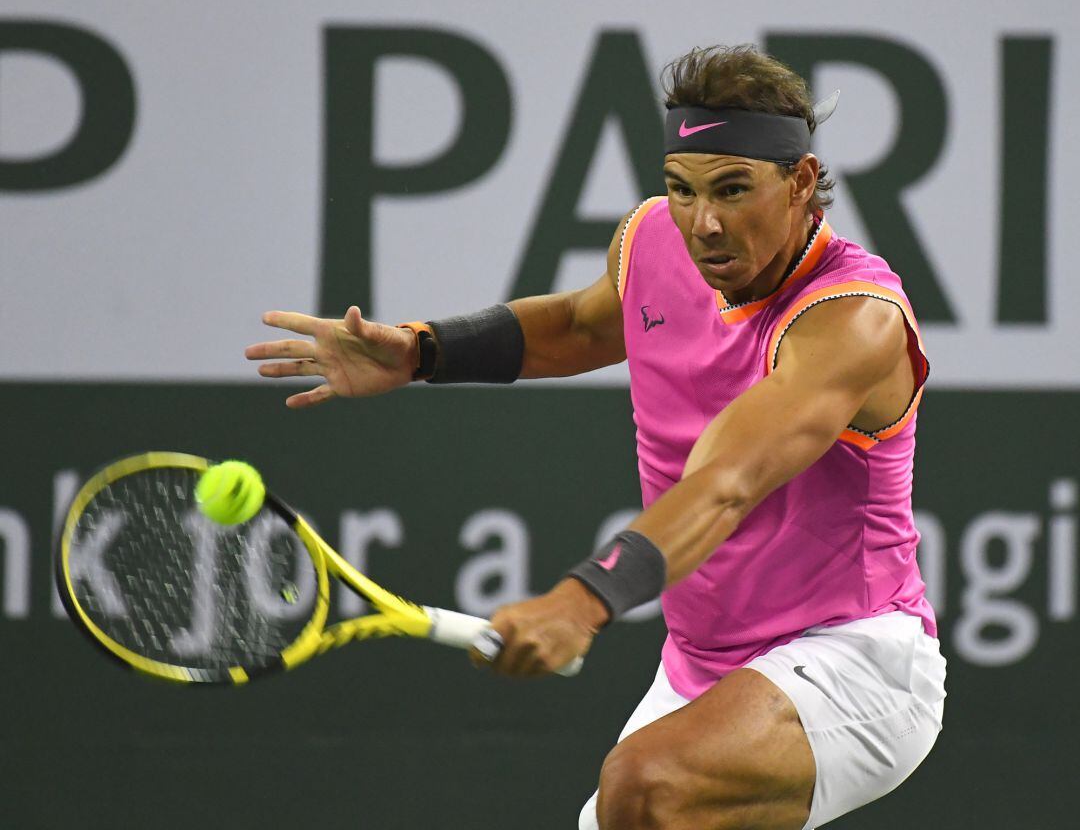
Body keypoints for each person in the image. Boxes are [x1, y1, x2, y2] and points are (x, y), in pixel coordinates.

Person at [246, 45, 945, 830]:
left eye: (733, 189)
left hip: (856, 657)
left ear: (802, 182)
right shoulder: (654, 238)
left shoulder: (853, 320)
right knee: (631, 806)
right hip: (701, 666)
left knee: (647, 789)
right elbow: (581, 325)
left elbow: (729, 483)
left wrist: (582, 602)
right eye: (681, 190)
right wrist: (423, 351)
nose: (703, 223)